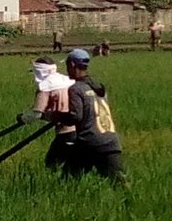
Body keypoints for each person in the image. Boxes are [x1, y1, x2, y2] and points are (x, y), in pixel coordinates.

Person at [43, 48, 128, 185]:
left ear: (72, 65)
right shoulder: (97, 87)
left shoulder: (76, 88)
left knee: (68, 181)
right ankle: (131, 202)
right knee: (119, 181)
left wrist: (54, 116)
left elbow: (76, 117)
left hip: (89, 142)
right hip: (110, 140)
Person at [19, 56, 76, 173]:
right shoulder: (69, 80)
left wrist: (23, 118)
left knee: (51, 164)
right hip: (82, 127)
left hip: (66, 131)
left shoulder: (45, 86)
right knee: (73, 166)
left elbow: (36, 113)